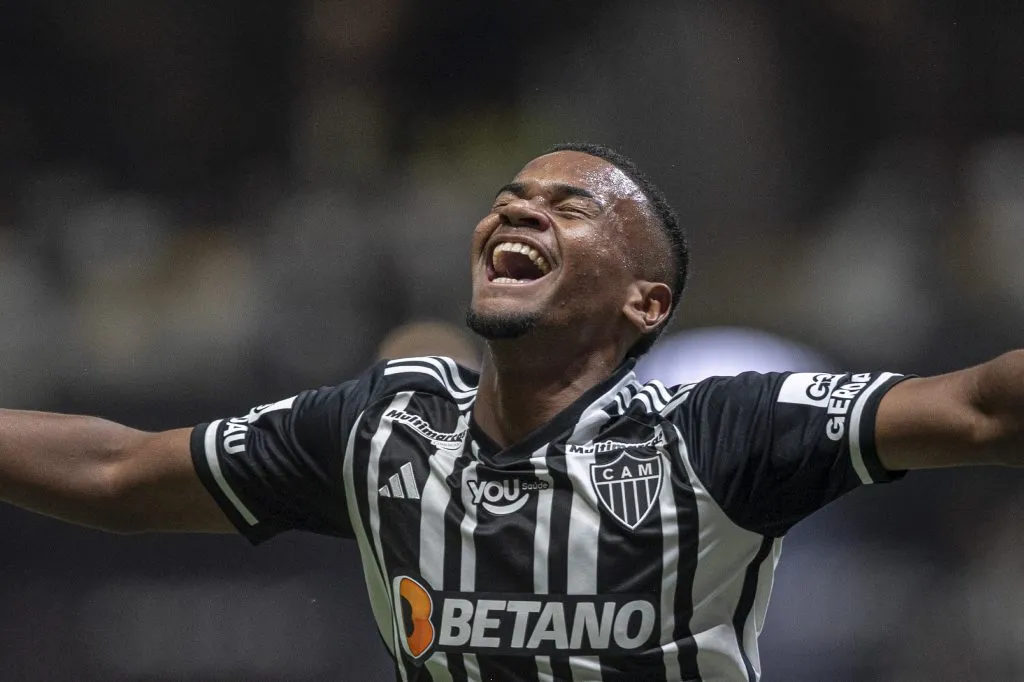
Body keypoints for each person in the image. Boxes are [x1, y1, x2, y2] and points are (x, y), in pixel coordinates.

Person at [1, 142, 1022, 682]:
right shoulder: (383, 431)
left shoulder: (717, 432)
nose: (518, 207)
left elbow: (980, 407)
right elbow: (119, 473)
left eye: (572, 206)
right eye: (509, 196)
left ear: (645, 303)